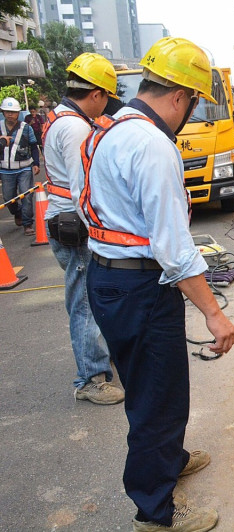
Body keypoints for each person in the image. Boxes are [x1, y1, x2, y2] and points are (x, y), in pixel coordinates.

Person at [80, 37, 234, 531]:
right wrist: (214, 312)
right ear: (180, 97)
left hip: (109, 278)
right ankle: (157, 511)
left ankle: (168, 461)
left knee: (152, 389)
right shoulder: (153, 145)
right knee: (158, 400)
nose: (190, 111)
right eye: (193, 102)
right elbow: (173, 248)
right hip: (140, 289)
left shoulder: (110, 126)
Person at [42, 52, 124, 405]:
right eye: (106, 100)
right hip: (74, 226)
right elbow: (83, 188)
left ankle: (99, 363)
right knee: (86, 302)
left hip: (65, 222)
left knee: (89, 297)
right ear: (96, 94)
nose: (105, 109)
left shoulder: (61, 118)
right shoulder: (75, 126)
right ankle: (90, 378)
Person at [1, 97, 40, 236]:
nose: (10, 114)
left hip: (24, 168)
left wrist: (36, 163)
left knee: (26, 195)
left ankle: (27, 223)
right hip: (5, 170)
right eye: (7, 112)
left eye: (13, 112)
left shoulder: (26, 128)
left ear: (18, 113)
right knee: (8, 197)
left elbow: (34, 146)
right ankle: (17, 212)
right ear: (3, 112)